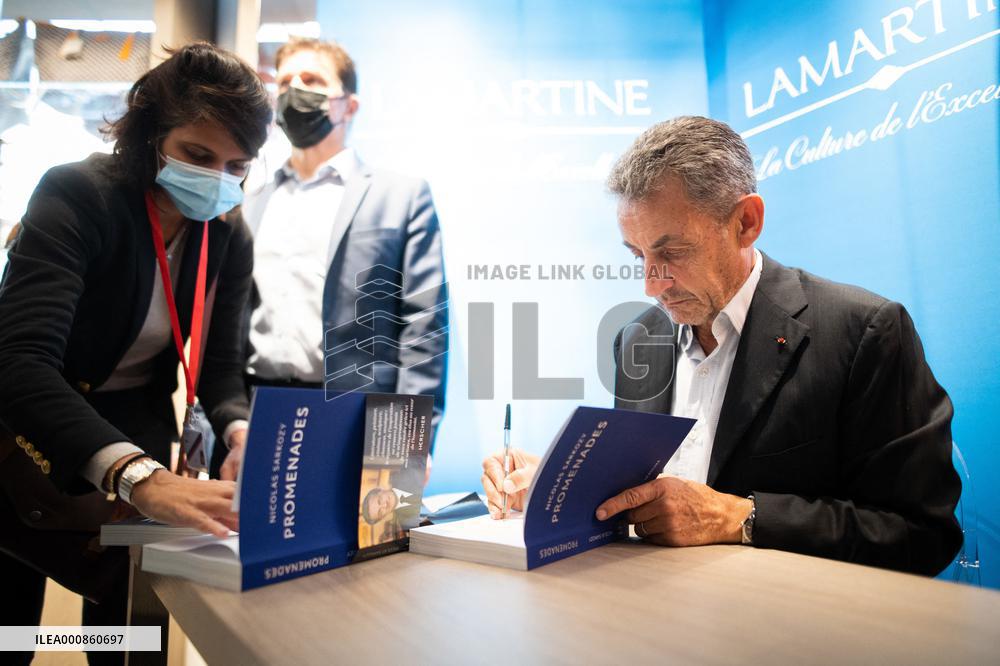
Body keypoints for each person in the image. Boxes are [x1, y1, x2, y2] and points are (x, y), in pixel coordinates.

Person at [482, 116, 962, 576]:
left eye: (672, 252)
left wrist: (740, 518)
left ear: (746, 222)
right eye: (638, 255)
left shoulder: (863, 332)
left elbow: (920, 533)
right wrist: (557, 482)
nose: (651, 284)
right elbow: (648, 494)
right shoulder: (638, 340)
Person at [0, 43, 271, 663]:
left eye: (237, 165)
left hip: (134, 432)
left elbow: (221, 365)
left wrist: (236, 426)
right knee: (11, 632)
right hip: (25, 436)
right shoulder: (78, 195)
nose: (218, 180)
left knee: (127, 637)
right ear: (150, 138)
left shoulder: (225, 232)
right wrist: (139, 477)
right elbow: (20, 362)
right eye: (198, 156)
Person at [237, 38, 448, 467]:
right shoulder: (250, 197)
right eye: (286, 81)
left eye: (312, 80)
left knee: (362, 534)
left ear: (348, 105)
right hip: (260, 407)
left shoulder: (400, 195)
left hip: (356, 413)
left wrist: (410, 441)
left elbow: (424, 326)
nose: (296, 89)